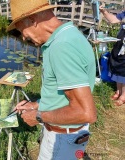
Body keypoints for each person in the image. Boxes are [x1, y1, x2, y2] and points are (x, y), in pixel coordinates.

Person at [7, 0, 97, 159]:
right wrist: (36, 105)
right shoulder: (69, 34)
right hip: (68, 135)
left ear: (33, 21)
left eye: (22, 30)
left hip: (63, 139)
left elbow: (85, 112)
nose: (23, 37)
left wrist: (38, 116)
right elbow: (64, 96)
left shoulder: (61, 47)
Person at [99, 6, 125, 106]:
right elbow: (114, 20)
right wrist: (104, 12)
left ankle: (123, 96)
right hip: (120, 45)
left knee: (124, 70)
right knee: (117, 66)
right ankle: (118, 91)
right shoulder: (124, 14)